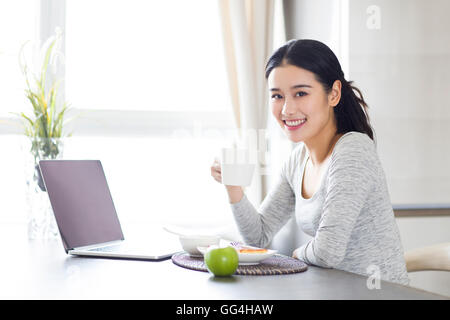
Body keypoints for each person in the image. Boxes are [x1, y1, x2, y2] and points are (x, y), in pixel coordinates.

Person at [210, 39, 410, 285]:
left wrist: (296, 255)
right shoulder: (297, 161)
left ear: (333, 94)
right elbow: (258, 236)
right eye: (277, 96)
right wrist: (233, 187)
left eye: (301, 93)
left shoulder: (353, 150)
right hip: (331, 291)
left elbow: (328, 252)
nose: (286, 110)